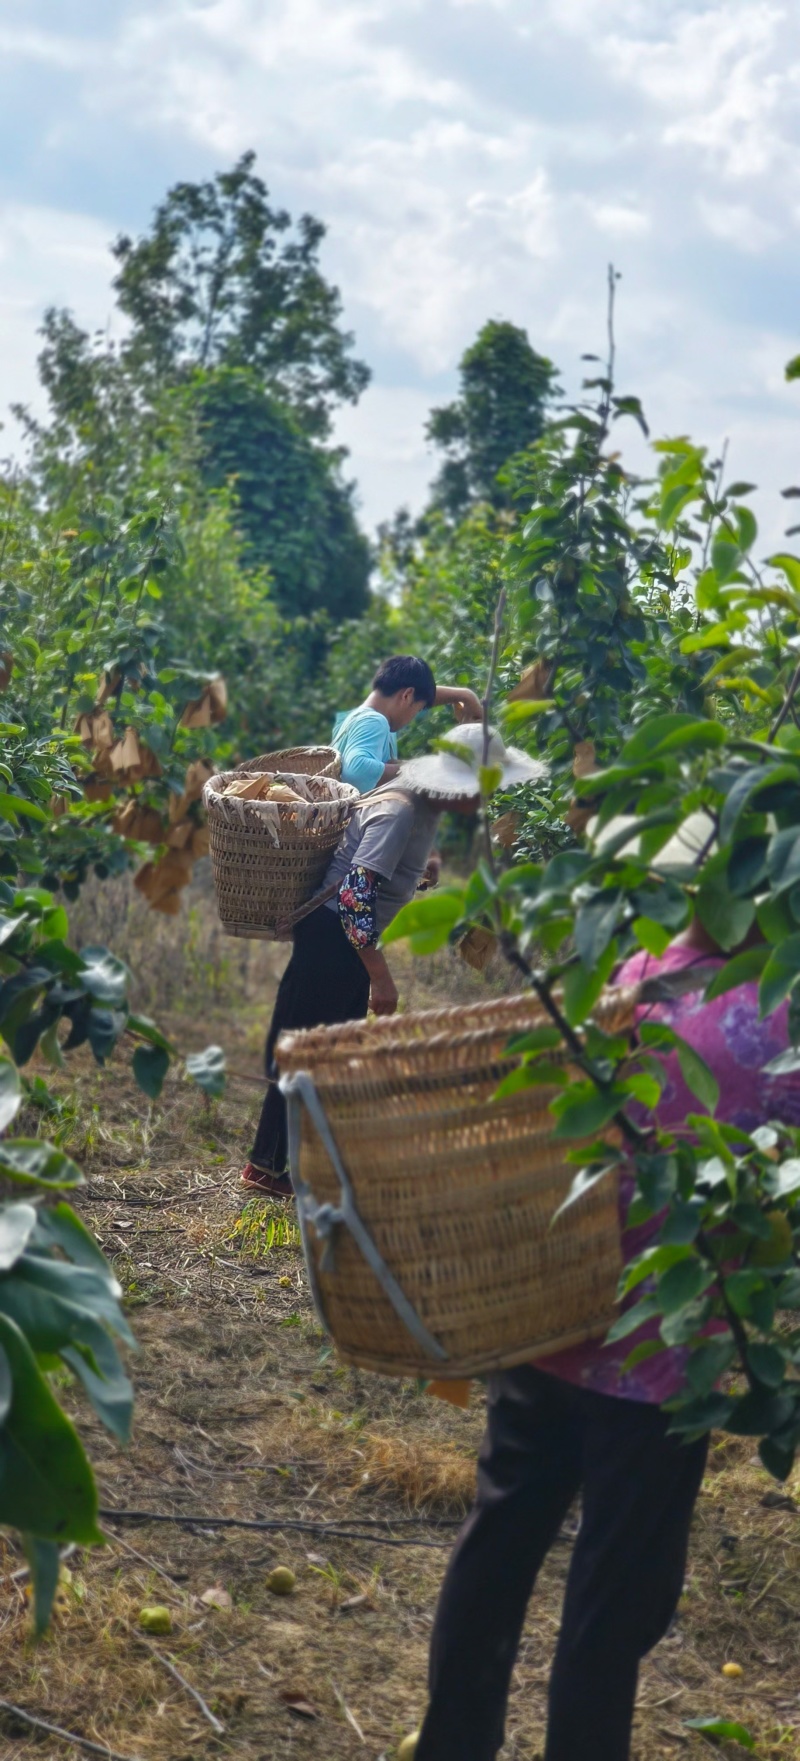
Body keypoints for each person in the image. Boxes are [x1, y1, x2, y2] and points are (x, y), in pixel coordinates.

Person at [412, 850, 800, 1761]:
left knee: (498, 1545)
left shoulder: (626, 978)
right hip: (664, 1362)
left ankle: (453, 1744)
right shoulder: (778, 1024)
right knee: (612, 1607)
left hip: (550, 1319)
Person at [240, 723, 545, 1197]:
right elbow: (355, 896)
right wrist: (380, 978)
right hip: (332, 936)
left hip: (334, 934)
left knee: (322, 1052)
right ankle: (268, 1167)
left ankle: (292, 1165)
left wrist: (423, 861)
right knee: (312, 1051)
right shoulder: (401, 811)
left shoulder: (416, 800)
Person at [332, 655, 484, 795]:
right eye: (418, 709)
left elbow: (420, 694)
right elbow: (357, 771)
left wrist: (465, 696)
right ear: (407, 695)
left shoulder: (352, 719)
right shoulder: (375, 721)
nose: (413, 716)